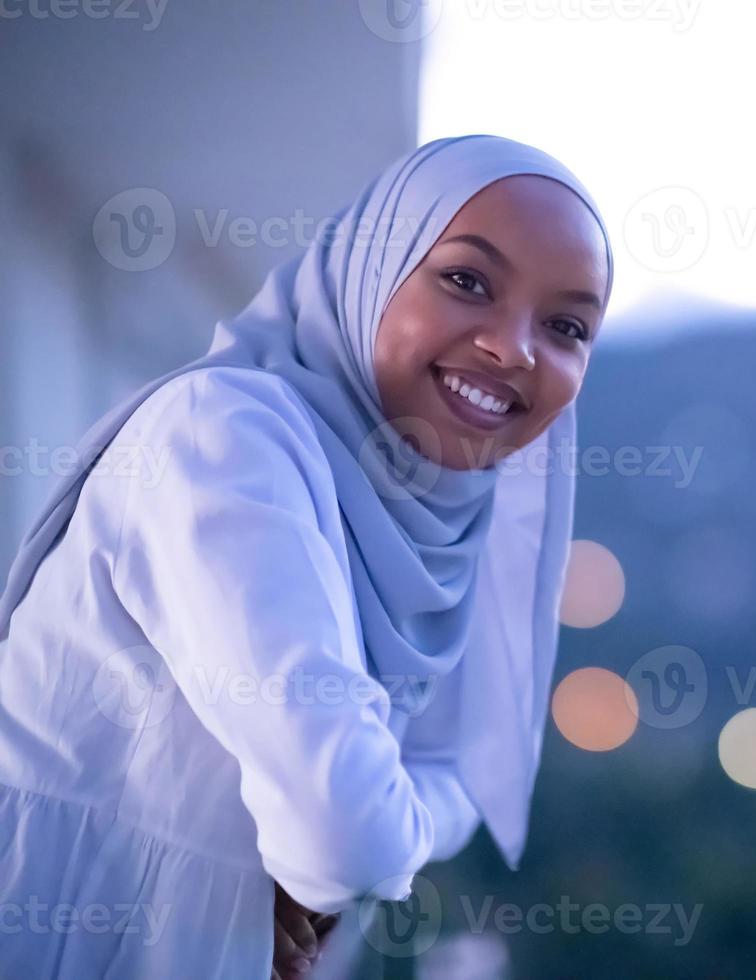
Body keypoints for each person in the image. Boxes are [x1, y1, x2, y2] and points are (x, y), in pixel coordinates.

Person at [0, 134, 613, 977]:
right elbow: (348, 830)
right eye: (467, 280)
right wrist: (330, 857)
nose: (514, 349)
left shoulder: (449, 522)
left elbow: (461, 770)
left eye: (567, 326)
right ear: (370, 269)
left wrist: (329, 862)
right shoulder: (224, 436)